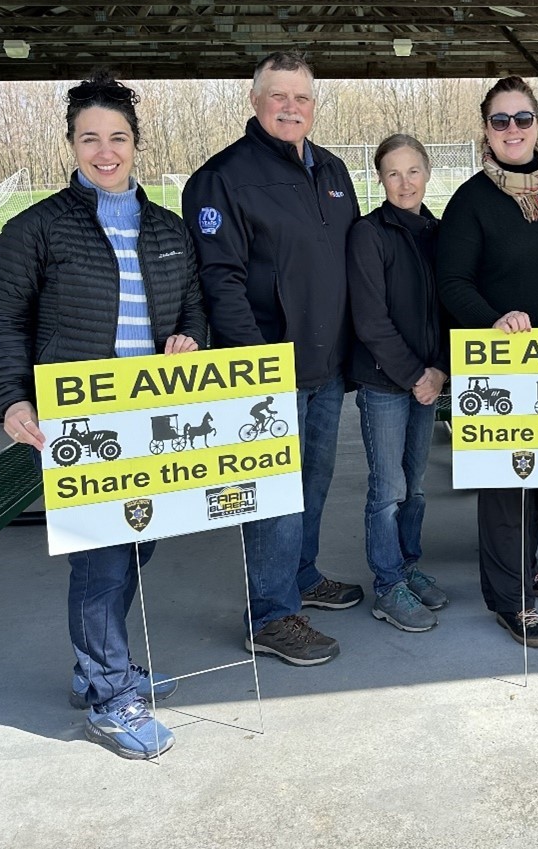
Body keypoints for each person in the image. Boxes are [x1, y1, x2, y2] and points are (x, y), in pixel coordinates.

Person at [0, 72, 206, 760]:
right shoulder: (36, 228)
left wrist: (188, 338)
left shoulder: (168, 228)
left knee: (138, 543)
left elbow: (193, 305)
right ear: (72, 145)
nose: (105, 151)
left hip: (149, 415)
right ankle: (111, 695)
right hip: (78, 419)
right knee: (102, 555)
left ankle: (97, 669)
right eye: (90, 139)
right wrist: (12, 397)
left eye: (117, 137)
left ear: (136, 143)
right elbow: (5, 318)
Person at [183, 51, 361, 668]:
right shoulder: (223, 177)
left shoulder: (332, 169)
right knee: (273, 494)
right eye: (278, 96)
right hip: (268, 369)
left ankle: (301, 575)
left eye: (301, 97)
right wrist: (256, 366)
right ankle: (271, 614)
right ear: (255, 100)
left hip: (326, 364)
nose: (291, 107)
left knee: (313, 481)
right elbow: (220, 279)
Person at [438, 76, 538, 647]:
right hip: (503, 363)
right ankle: (510, 599)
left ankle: (524, 567)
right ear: (486, 129)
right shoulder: (471, 201)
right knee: (507, 480)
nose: (512, 130)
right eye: (500, 120)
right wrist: (493, 319)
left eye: (522, 118)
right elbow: (452, 282)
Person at [348, 134, 449, 633]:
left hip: (429, 381)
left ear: (427, 173)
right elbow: (370, 320)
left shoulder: (440, 232)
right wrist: (416, 375)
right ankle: (388, 586)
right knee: (388, 490)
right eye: (393, 173)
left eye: (413, 171)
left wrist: (441, 370)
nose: (404, 183)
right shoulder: (368, 234)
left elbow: (450, 307)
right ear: (380, 179)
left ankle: (408, 568)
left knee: (417, 486)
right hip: (386, 384)